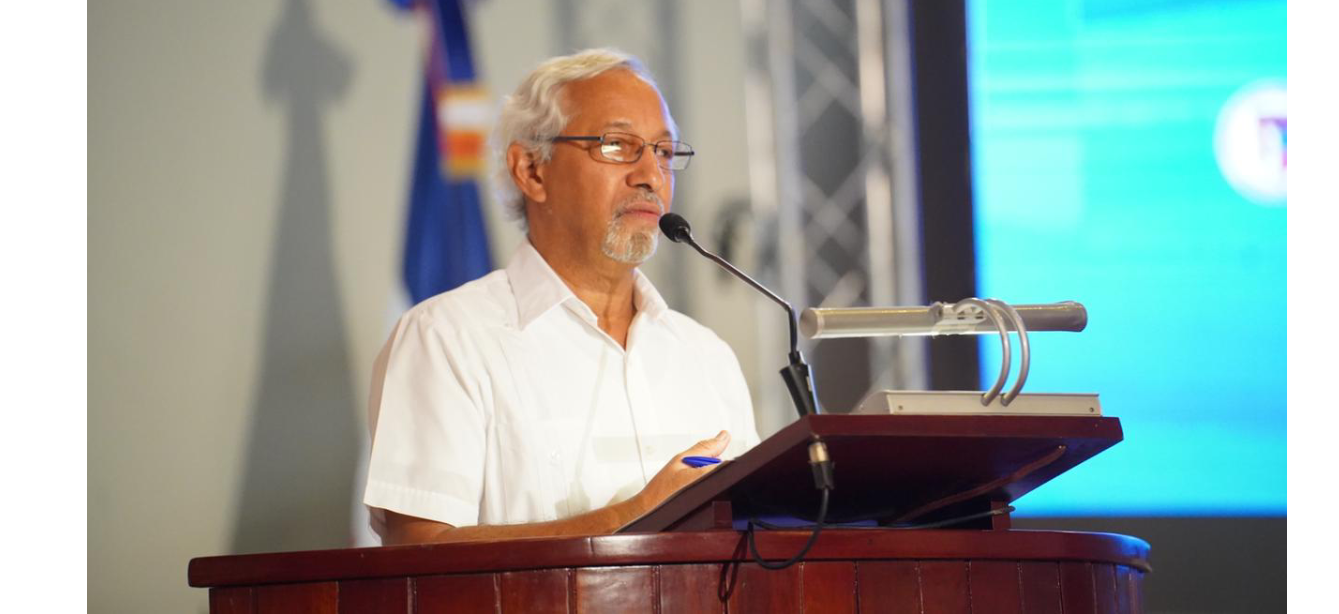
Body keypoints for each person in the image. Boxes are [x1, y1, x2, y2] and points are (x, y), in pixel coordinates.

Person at [363, 48, 760, 545]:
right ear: (532, 170)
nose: (651, 176)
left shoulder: (708, 357)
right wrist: (636, 518)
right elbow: (418, 555)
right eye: (617, 145)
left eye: (663, 151)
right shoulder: (446, 340)